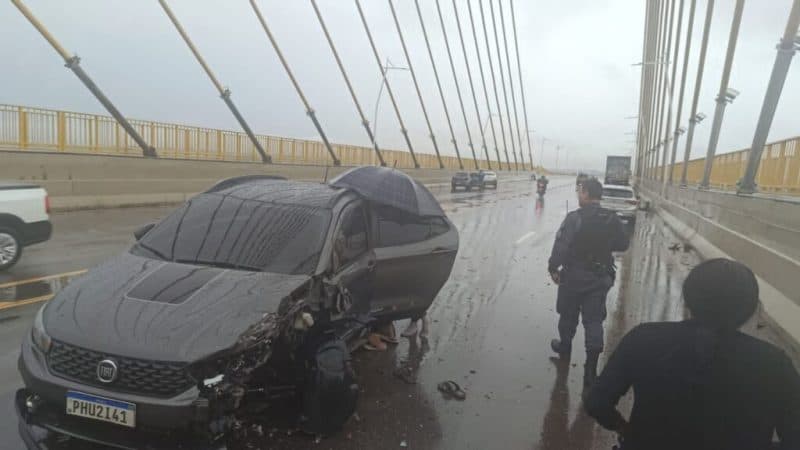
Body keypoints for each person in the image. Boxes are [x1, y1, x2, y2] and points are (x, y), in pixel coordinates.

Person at [585, 259, 800, 450]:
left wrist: (625, 429)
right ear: (749, 307)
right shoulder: (774, 364)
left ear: (689, 298)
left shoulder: (644, 338)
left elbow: (597, 402)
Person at [547, 177, 629, 388]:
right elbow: (622, 244)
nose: (578, 195)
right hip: (599, 279)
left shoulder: (574, 218)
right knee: (594, 322)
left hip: (573, 278)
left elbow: (561, 247)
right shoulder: (612, 218)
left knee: (568, 315)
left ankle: (565, 347)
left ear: (585, 193)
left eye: (579, 191)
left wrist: (553, 267)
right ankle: (590, 371)